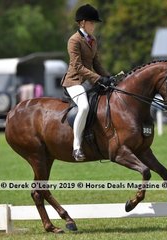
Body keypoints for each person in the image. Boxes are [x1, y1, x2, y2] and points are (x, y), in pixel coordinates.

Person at [61, 4, 112, 161]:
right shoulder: (74, 40)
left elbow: (96, 63)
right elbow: (77, 66)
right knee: (84, 107)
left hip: (88, 81)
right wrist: (97, 78)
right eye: (92, 23)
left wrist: (108, 77)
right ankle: (77, 147)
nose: (94, 26)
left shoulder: (93, 40)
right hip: (74, 81)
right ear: (82, 23)